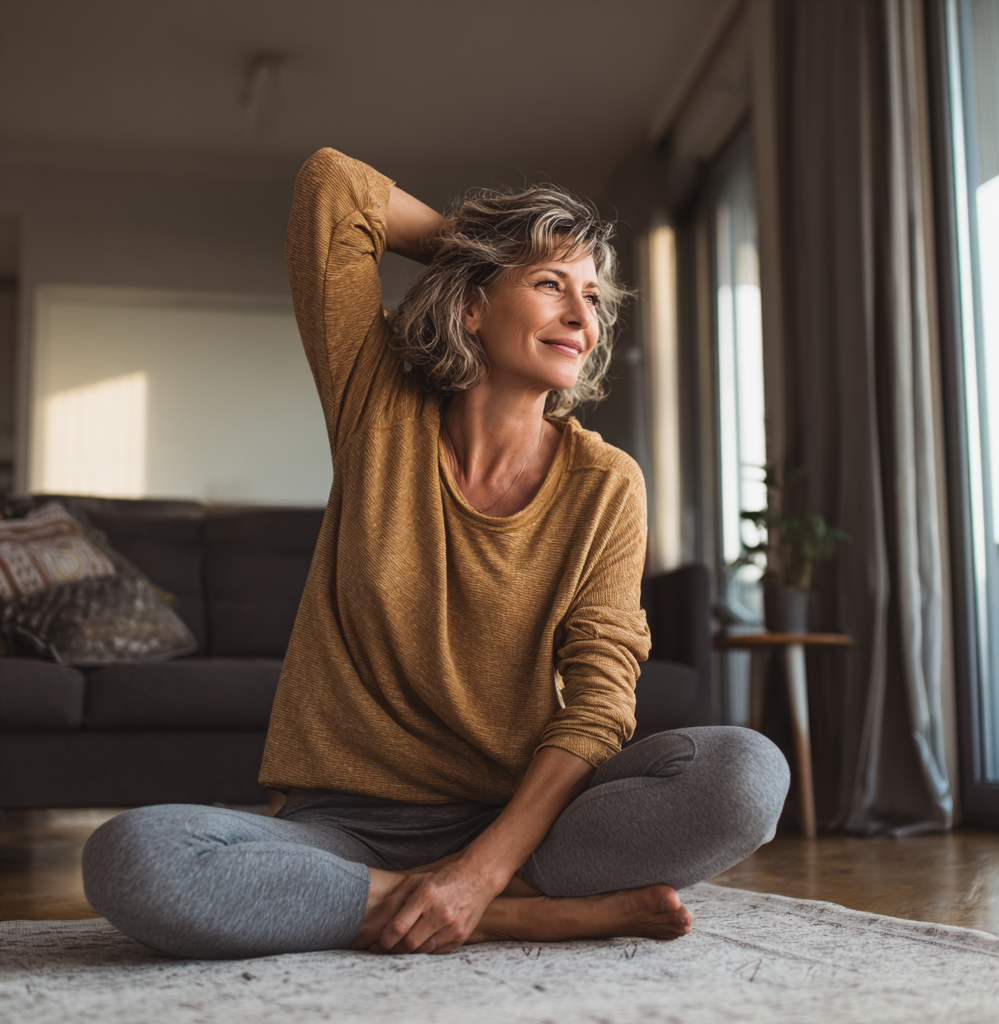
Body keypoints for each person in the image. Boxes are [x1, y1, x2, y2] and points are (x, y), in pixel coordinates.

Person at [82, 149, 789, 960]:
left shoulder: (607, 485)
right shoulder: (375, 404)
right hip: (345, 829)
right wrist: (483, 249)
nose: (581, 315)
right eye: (550, 284)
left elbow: (600, 703)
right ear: (475, 307)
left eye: (591, 295)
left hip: (521, 824)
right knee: (132, 858)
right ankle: (521, 917)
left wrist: (481, 869)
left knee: (746, 775)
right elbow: (334, 188)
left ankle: (467, 897)